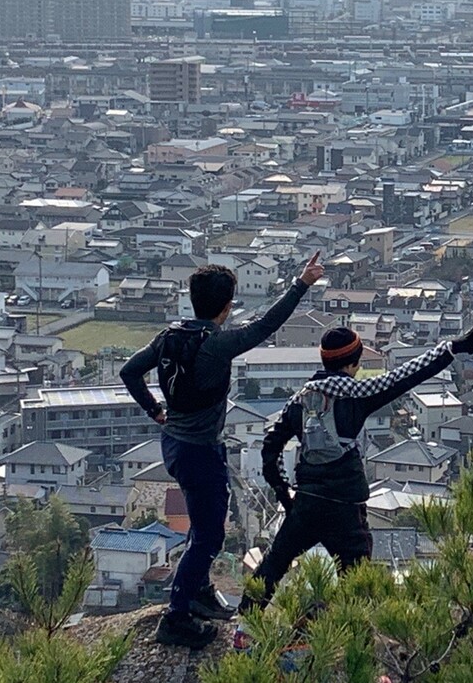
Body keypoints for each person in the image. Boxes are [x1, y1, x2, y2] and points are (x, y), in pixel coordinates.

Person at [121, 252, 326, 649]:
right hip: (200, 452)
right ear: (227, 306)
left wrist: (155, 410)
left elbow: (130, 370)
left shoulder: (169, 336)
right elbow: (267, 324)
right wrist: (301, 283)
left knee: (202, 524)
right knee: (210, 536)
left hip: (175, 443)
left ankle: (197, 592)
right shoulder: (217, 345)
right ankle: (176, 615)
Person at [245, 322, 473, 608]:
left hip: (306, 503)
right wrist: (452, 348)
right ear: (352, 363)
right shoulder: (358, 395)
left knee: (274, 565)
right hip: (345, 507)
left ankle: (245, 627)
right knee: (355, 579)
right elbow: (406, 375)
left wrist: (285, 494)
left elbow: (270, 447)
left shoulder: (301, 400)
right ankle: (349, 638)